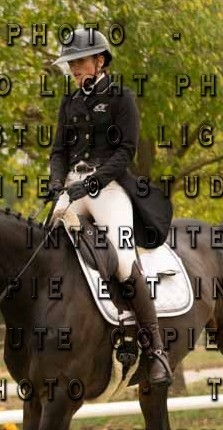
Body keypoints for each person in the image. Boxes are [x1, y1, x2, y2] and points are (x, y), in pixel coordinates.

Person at [48, 27, 173, 386]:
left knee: (121, 259)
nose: (74, 68)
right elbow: (58, 151)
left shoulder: (121, 97)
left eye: (79, 61)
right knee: (45, 247)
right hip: (72, 188)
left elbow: (125, 152)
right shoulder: (69, 102)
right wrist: (57, 183)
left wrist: (91, 183)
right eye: (70, 63)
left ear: (100, 60)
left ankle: (156, 350)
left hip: (109, 189)